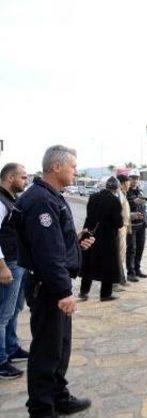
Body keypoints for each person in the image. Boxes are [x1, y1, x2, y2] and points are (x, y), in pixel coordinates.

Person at [15, 145, 95, 417]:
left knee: (60, 347)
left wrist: (77, 244)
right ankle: (41, 408)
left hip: (52, 285)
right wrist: (63, 291)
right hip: (49, 288)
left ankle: (58, 396)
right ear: (57, 167)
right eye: (73, 166)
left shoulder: (52, 196)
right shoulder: (41, 201)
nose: (76, 171)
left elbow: (56, 244)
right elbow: (47, 253)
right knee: (47, 351)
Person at [0, 163, 29, 380]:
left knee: (16, 308)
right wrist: (2, 266)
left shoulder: (11, 200)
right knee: (3, 314)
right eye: (23, 177)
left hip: (17, 262)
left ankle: (11, 346)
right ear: (10, 178)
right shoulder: (1, 202)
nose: (26, 181)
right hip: (8, 264)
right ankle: (1, 360)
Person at [79, 177, 123, 302]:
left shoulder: (93, 197)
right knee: (108, 266)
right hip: (107, 238)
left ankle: (84, 291)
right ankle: (105, 294)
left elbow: (89, 216)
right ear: (116, 188)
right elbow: (118, 223)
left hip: (91, 234)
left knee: (89, 264)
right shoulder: (114, 200)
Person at [126, 170, 147, 280]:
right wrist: (135, 201)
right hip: (131, 226)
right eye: (132, 178)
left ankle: (137, 269)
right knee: (131, 249)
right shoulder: (126, 192)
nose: (134, 180)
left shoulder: (140, 191)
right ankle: (130, 272)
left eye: (136, 178)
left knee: (140, 248)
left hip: (141, 225)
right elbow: (124, 207)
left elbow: (144, 207)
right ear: (129, 179)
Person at [115, 170, 133, 288]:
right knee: (119, 256)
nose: (130, 184)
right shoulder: (118, 195)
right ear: (122, 183)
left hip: (124, 228)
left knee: (122, 254)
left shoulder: (123, 194)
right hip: (119, 229)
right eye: (128, 182)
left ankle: (122, 279)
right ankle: (116, 282)